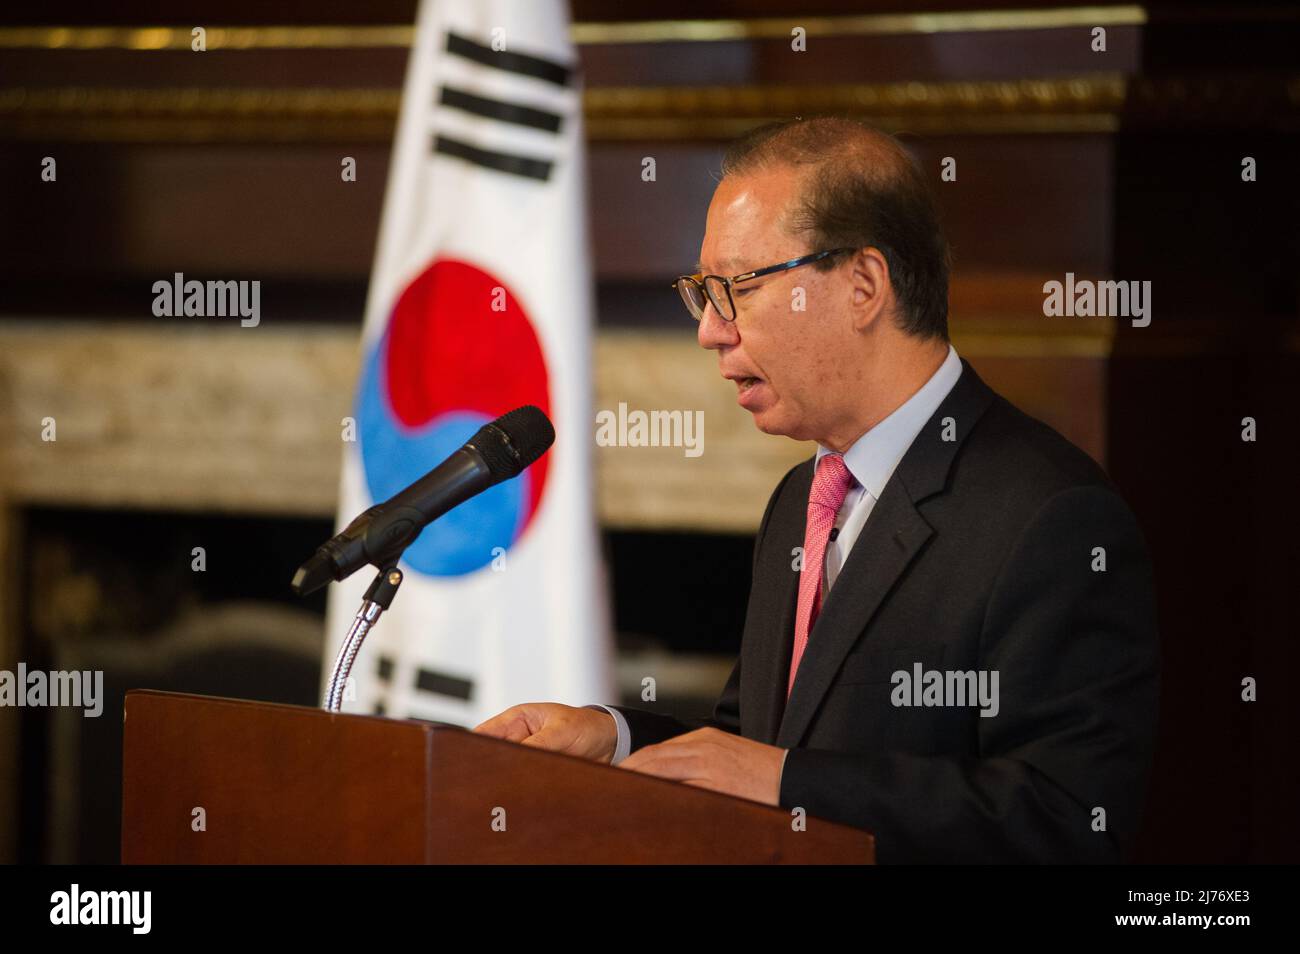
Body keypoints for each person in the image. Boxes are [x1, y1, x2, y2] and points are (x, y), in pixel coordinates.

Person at [474, 116, 1159, 863]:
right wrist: (619, 735)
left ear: (863, 285)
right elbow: (758, 749)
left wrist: (793, 783)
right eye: (700, 292)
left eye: (734, 288)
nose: (709, 331)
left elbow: (1064, 819)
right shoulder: (802, 498)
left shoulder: (1050, 516)